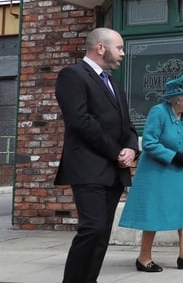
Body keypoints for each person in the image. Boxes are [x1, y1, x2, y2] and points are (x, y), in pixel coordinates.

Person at [54, 27, 140, 283]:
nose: (123, 53)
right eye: (119, 47)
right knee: (91, 229)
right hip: (88, 167)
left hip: (114, 171)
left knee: (102, 233)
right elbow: (80, 121)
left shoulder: (112, 82)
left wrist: (131, 147)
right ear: (100, 47)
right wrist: (115, 151)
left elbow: (128, 124)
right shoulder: (72, 75)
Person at [119, 73, 183, 272]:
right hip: (157, 172)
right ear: (179, 98)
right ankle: (143, 258)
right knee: (153, 213)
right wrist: (172, 155)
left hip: (179, 171)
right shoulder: (158, 112)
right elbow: (149, 143)